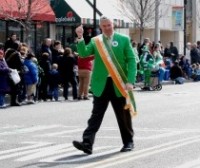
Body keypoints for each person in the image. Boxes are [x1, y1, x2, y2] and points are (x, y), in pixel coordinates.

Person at [72, 16, 137, 154]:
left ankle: (128, 142)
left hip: (119, 83)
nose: (107, 28)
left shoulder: (123, 39)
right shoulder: (97, 41)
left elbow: (131, 61)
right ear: (100, 27)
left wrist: (130, 81)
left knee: (123, 114)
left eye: (109, 25)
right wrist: (80, 37)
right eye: (104, 26)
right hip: (101, 83)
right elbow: (83, 53)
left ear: (113, 25)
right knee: (96, 114)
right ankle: (87, 143)